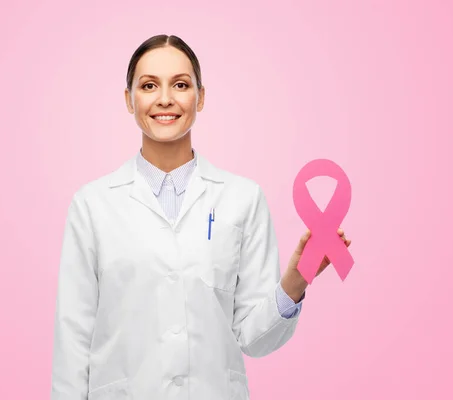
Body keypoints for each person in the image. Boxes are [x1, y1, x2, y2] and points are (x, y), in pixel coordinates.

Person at [50, 34, 351, 400]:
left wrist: (295, 282)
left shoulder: (243, 198)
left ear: (201, 97)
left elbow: (254, 339)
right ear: (129, 100)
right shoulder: (92, 205)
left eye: (180, 84)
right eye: (148, 86)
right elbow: (74, 338)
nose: (165, 99)